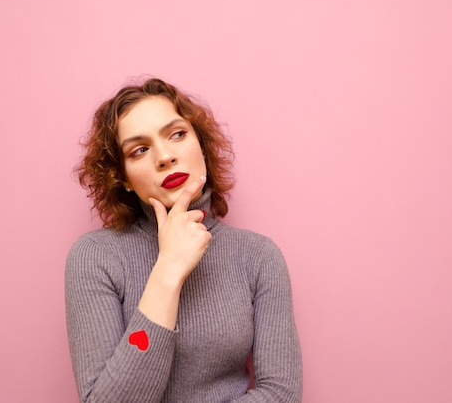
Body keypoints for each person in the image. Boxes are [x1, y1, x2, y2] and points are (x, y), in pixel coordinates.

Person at [65, 77, 302, 402]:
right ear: (124, 178)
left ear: (200, 145)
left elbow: (281, 394)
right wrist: (168, 271)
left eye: (177, 134)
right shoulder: (95, 258)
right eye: (140, 150)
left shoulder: (257, 256)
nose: (164, 156)